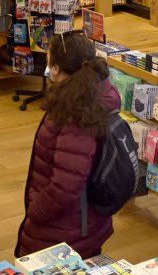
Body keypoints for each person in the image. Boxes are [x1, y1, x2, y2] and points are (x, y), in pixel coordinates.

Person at [15, 31, 119, 259]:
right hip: (86, 220)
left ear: (56, 69)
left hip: (63, 228)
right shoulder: (95, 95)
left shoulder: (74, 112)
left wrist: (37, 210)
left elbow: (66, 184)